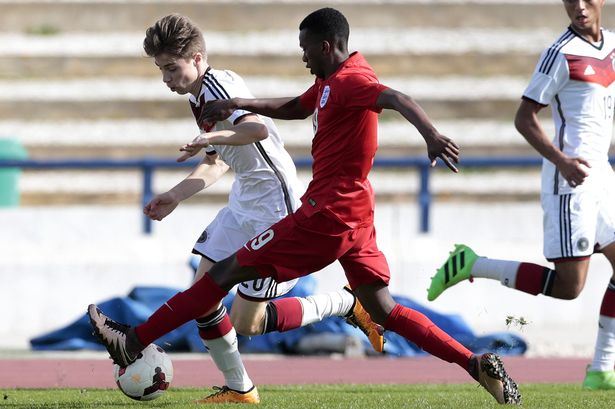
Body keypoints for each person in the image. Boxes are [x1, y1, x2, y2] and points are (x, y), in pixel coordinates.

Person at [88, 8, 521, 405]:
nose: (302, 57)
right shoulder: (325, 85)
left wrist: (430, 134)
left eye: (305, 49)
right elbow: (287, 112)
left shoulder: (349, 81)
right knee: (382, 309)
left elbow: (386, 99)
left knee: (227, 290)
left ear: (326, 46)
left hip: (311, 213)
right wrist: (182, 187)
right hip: (341, 213)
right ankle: (474, 363)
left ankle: (135, 340)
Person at [137, 14, 384, 404]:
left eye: (171, 67)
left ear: (197, 58)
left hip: (273, 203)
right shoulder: (196, 96)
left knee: (245, 322)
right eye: (161, 69)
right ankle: (241, 388)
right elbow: (219, 160)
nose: (166, 77)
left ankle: (345, 303)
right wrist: (175, 195)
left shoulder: (220, 84)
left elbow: (257, 129)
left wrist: (209, 135)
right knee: (202, 295)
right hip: (243, 203)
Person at [428, 0, 615, 391]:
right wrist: (562, 161)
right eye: (569, 0)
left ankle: (601, 369)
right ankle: (472, 264)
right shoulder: (559, 53)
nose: (578, 7)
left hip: (603, 176)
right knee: (569, 287)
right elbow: (523, 117)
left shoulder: (611, 47)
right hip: (570, 180)